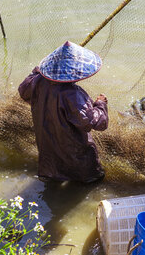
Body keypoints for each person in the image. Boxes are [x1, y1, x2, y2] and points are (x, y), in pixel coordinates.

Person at [19, 41, 109, 183]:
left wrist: (38, 72)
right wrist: (100, 104)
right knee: (89, 178)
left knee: (53, 173)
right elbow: (96, 123)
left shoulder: (37, 81)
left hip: (47, 142)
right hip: (73, 148)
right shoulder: (73, 95)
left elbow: (23, 91)